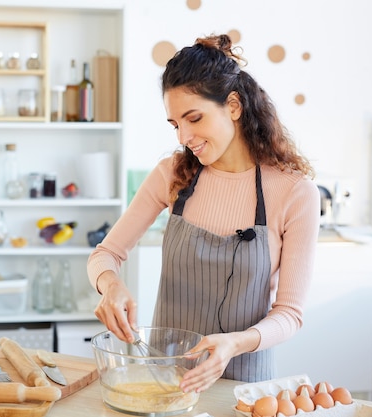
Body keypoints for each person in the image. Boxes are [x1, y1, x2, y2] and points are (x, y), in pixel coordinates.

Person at [86, 34, 320, 392]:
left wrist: (234, 343)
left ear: (234, 106)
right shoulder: (171, 175)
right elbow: (105, 254)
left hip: (242, 387)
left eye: (194, 118)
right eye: (175, 124)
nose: (184, 136)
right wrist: (110, 286)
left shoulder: (294, 192)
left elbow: (289, 314)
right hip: (166, 380)